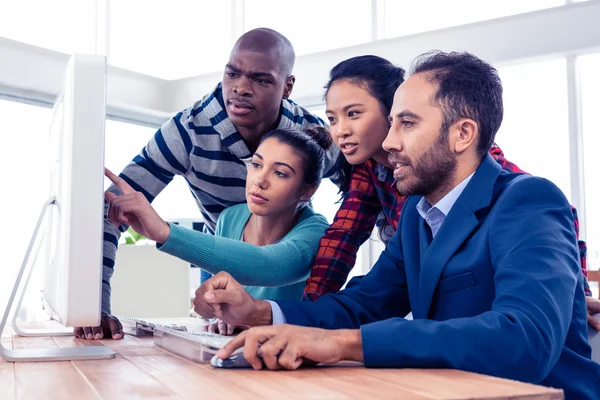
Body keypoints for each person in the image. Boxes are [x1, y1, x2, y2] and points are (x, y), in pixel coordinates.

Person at [192, 51, 600, 399]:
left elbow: (524, 338)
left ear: (462, 134)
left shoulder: (528, 200)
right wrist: (261, 312)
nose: (388, 143)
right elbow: (363, 303)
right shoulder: (417, 218)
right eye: (391, 124)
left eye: (407, 123)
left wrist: (341, 344)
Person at [74, 28, 340, 340]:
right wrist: (92, 303)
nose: (241, 88)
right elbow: (114, 209)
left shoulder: (314, 138)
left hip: (289, 289)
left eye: (261, 79)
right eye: (232, 73)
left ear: (287, 86)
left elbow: (365, 199)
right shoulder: (186, 133)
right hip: (222, 274)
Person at [303, 54, 600, 328]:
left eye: (406, 123)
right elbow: (344, 246)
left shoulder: (497, 182)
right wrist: (282, 315)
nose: (340, 129)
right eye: (331, 118)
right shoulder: (397, 196)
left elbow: (538, 216)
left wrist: (574, 290)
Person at [103, 127, 331, 335]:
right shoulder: (230, 218)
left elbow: (270, 265)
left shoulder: (316, 231)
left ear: (307, 190)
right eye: (257, 164)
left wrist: (165, 232)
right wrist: (217, 312)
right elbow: (221, 300)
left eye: (280, 173)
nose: (259, 181)